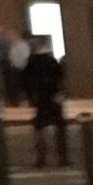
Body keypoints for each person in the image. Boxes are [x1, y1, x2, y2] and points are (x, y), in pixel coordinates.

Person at [22, 33, 68, 167]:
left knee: (40, 127)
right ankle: (62, 157)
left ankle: (41, 157)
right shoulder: (51, 61)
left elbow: (26, 80)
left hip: (40, 97)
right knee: (59, 126)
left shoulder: (31, 62)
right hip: (53, 96)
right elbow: (60, 77)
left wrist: (30, 97)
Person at [1, 25, 33, 107]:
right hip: (15, 69)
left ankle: (24, 102)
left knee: (22, 88)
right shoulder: (12, 46)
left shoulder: (22, 45)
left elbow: (26, 57)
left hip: (22, 69)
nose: (8, 38)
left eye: (10, 36)